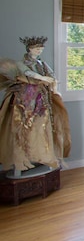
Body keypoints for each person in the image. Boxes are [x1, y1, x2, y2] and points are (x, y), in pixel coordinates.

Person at [0, 36, 71, 177]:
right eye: (37, 48)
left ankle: (45, 156)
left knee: (44, 127)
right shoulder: (21, 63)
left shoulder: (42, 63)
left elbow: (52, 75)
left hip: (42, 98)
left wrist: (55, 88)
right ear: (30, 49)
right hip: (26, 99)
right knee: (23, 128)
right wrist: (43, 79)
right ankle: (21, 163)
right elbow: (27, 73)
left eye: (41, 49)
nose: (39, 51)